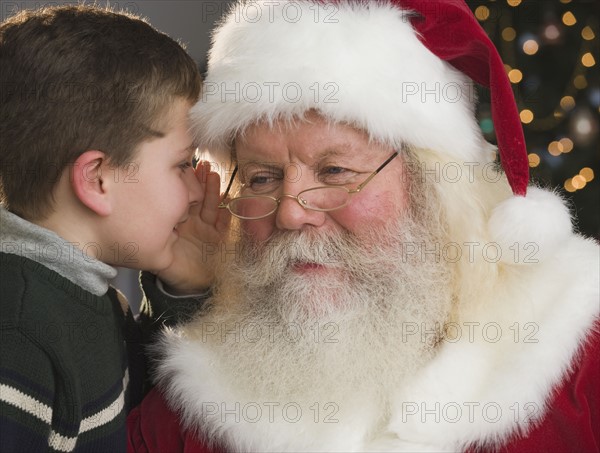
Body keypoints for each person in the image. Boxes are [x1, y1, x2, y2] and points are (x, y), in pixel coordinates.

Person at [127, 0, 600, 451]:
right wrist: (190, 298)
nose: (290, 214)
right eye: (262, 178)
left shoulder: (578, 353)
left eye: (335, 172)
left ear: (435, 187)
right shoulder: (187, 410)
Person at [0, 5, 225, 451]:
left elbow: (151, 416)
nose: (198, 192)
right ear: (98, 180)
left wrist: (183, 291)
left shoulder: (98, 301)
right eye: (182, 165)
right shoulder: (17, 334)